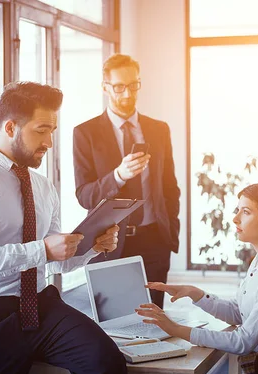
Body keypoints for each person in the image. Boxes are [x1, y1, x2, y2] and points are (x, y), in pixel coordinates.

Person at [0, 82, 129, 374]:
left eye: (52, 131)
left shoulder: (42, 186)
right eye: (42, 131)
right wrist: (42, 249)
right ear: (11, 127)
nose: (49, 142)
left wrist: (94, 246)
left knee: (106, 362)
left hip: (41, 306)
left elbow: (56, 263)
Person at [136, 183, 258, 374]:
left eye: (246, 212)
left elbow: (244, 341)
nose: (235, 218)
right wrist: (195, 294)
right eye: (237, 210)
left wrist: (177, 330)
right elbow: (239, 312)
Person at [73, 53, 180, 309]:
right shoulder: (85, 133)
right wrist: (118, 176)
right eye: (119, 87)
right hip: (109, 242)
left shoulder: (159, 129)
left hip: (155, 241)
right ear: (105, 87)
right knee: (114, 322)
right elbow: (84, 195)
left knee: (154, 321)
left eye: (133, 85)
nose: (128, 94)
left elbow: (169, 187)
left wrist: (170, 233)